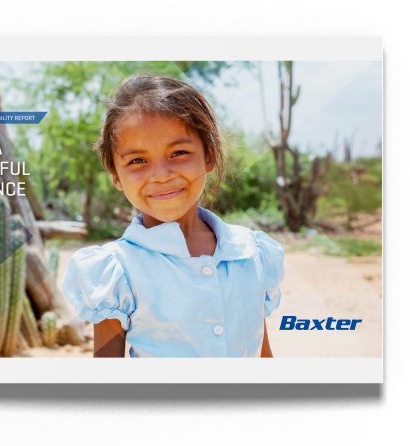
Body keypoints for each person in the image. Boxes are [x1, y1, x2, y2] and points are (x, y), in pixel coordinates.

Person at [62, 73, 285, 357]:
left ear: (209, 156)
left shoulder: (251, 253)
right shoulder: (116, 272)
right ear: (116, 176)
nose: (161, 175)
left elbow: (262, 354)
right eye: (137, 160)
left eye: (178, 152)